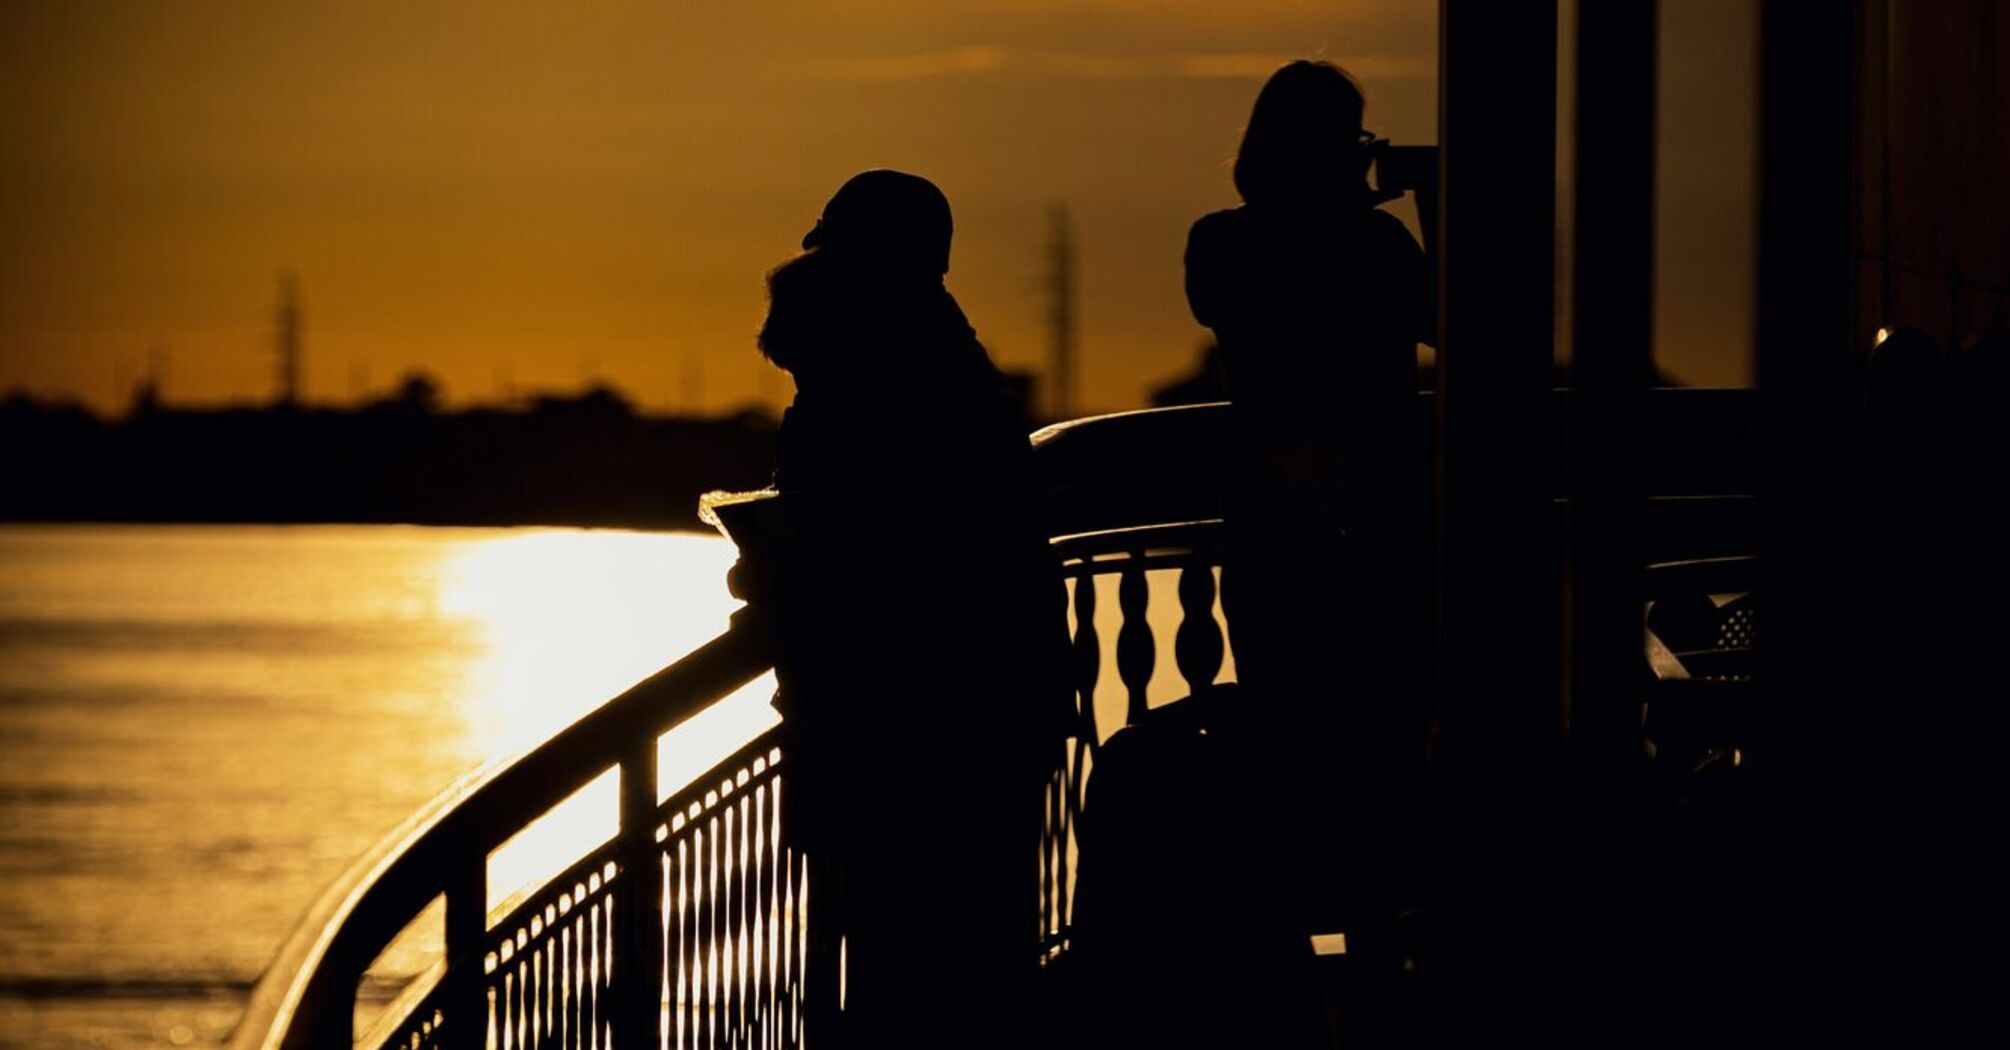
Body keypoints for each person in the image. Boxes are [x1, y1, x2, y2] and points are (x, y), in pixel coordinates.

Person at [751, 170, 1068, 1047]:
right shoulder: (957, 371)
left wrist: (772, 575)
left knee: (904, 956)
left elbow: (859, 550)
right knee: (976, 950)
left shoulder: (866, 394)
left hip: (896, 726)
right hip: (994, 712)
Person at [1183, 60, 1434, 993]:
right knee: (1368, 730)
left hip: (1290, 520)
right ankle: (1363, 947)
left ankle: (1304, 956)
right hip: (1367, 518)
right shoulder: (1352, 246)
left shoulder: (1239, 240)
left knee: (1311, 729)